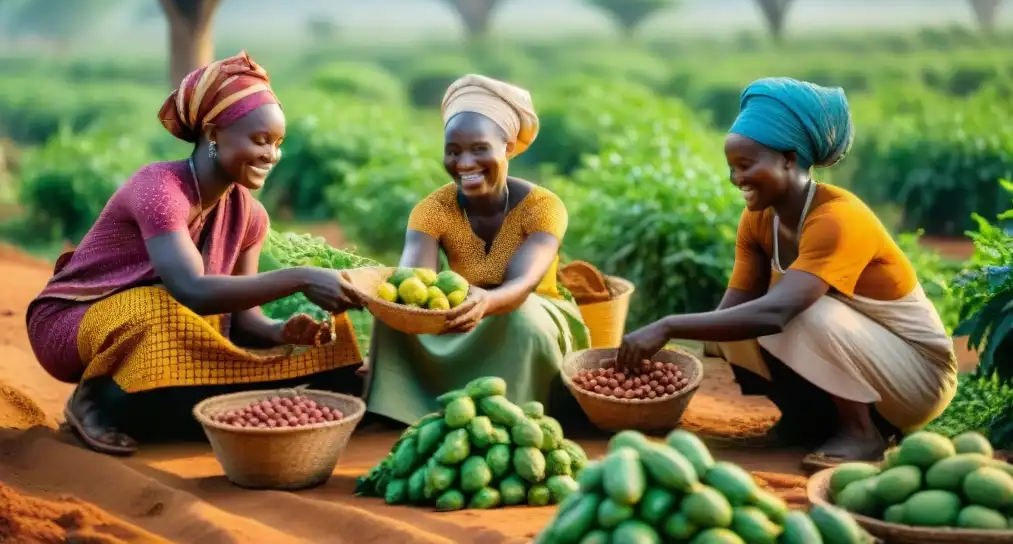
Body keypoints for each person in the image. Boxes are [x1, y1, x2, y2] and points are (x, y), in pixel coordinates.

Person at [25, 52, 366, 456]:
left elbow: (241, 320)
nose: (270, 155)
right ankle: (92, 397)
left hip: (165, 329)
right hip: (74, 323)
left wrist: (279, 332)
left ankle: (148, 406)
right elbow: (191, 290)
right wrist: (301, 277)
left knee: (328, 352)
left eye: (277, 144)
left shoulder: (250, 215)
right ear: (213, 133)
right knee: (158, 305)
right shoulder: (159, 188)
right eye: (259, 140)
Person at [617, 77, 958, 469]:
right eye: (732, 167)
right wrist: (675, 362)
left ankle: (862, 434)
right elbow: (735, 309)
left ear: (789, 159)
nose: (736, 179)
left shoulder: (837, 219)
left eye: (746, 165)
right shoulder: (758, 220)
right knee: (732, 330)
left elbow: (777, 312)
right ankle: (804, 421)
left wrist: (667, 324)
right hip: (867, 366)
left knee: (799, 311)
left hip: (917, 378)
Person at [364, 74, 591, 426]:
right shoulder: (433, 209)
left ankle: (515, 416)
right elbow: (416, 282)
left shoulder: (543, 207)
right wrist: (398, 303)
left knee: (519, 318)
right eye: (453, 151)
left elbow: (524, 283)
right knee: (392, 321)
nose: (464, 163)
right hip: (459, 312)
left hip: (533, 310)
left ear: (508, 147)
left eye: (479, 149)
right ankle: (410, 412)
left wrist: (485, 302)